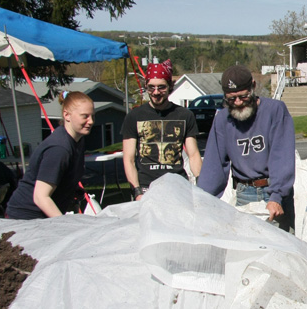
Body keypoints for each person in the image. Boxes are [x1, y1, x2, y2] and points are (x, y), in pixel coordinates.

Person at [198, 64, 296, 232]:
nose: (237, 102)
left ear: (253, 86)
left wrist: (276, 196)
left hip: (273, 190)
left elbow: (282, 156)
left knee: (281, 251)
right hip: (245, 193)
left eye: (243, 96)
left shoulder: (275, 111)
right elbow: (214, 166)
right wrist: (203, 201)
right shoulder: (222, 119)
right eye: (231, 99)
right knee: (248, 250)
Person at [5, 92, 94, 219]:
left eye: (92, 116)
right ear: (67, 115)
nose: (90, 121)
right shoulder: (59, 149)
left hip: (44, 217)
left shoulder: (78, 141)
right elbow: (40, 197)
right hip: (25, 218)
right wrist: (65, 223)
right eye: (85, 116)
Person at [122, 59, 202, 199]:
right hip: (147, 188)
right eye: (151, 87)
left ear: (170, 86)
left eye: (161, 87)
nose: (156, 92)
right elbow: (128, 159)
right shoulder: (134, 116)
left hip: (178, 186)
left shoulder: (185, 115)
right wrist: (137, 191)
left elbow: (194, 154)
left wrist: (201, 185)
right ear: (145, 86)